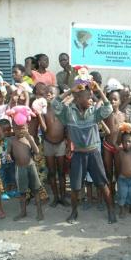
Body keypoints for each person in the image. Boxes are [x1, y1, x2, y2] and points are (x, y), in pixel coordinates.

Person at [52, 80, 117, 224]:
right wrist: (71, 90)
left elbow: (108, 107)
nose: (91, 99)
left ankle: (111, 211)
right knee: (75, 187)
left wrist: (99, 90)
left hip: (94, 153)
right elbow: (54, 104)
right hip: (78, 155)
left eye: (92, 96)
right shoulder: (68, 113)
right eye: (88, 97)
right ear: (77, 98)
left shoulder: (94, 112)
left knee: (102, 183)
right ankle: (74, 212)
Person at [7, 123, 44, 221]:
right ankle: (23, 212)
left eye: (23, 129)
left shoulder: (29, 138)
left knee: (36, 190)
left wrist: (30, 138)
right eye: (17, 129)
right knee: (22, 192)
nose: (20, 131)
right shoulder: (11, 140)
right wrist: (8, 156)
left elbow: (36, 151)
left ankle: (39, 212)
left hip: (31, 166)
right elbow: (8, 152)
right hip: (20, 168)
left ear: (27, 128)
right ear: (13, 129)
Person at [43, 85, 69, 207]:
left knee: (61, 173)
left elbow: (67, 127)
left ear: (58, 96)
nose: (49, 95)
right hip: (48, 143)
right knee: (52, 172)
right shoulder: (43, 110)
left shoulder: (63, 109)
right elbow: (43, 128)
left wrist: (68, 144)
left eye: (52, 93)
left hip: (61, 144)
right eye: (47, 93)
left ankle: (63, 197)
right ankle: (56, 197)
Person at [102, 84, 126, 197]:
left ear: (120, 101)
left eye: (115, 99)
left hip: (118, 147)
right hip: (107, 145)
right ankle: (109, 193)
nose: (112, 102)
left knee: (118, 171)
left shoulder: (124, 116)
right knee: (108, 171)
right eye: (110, 99)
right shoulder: (106, 114)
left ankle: (116, 191)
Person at [0, 119, 17, 200]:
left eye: (8, 130)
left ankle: (11, 191)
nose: (7, 132)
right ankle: (4, 192)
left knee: (12, 176)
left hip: (11, 162)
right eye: (4, 130)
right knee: (3, 177)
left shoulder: (12, 137)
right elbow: (2, 136)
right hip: (1, 162)